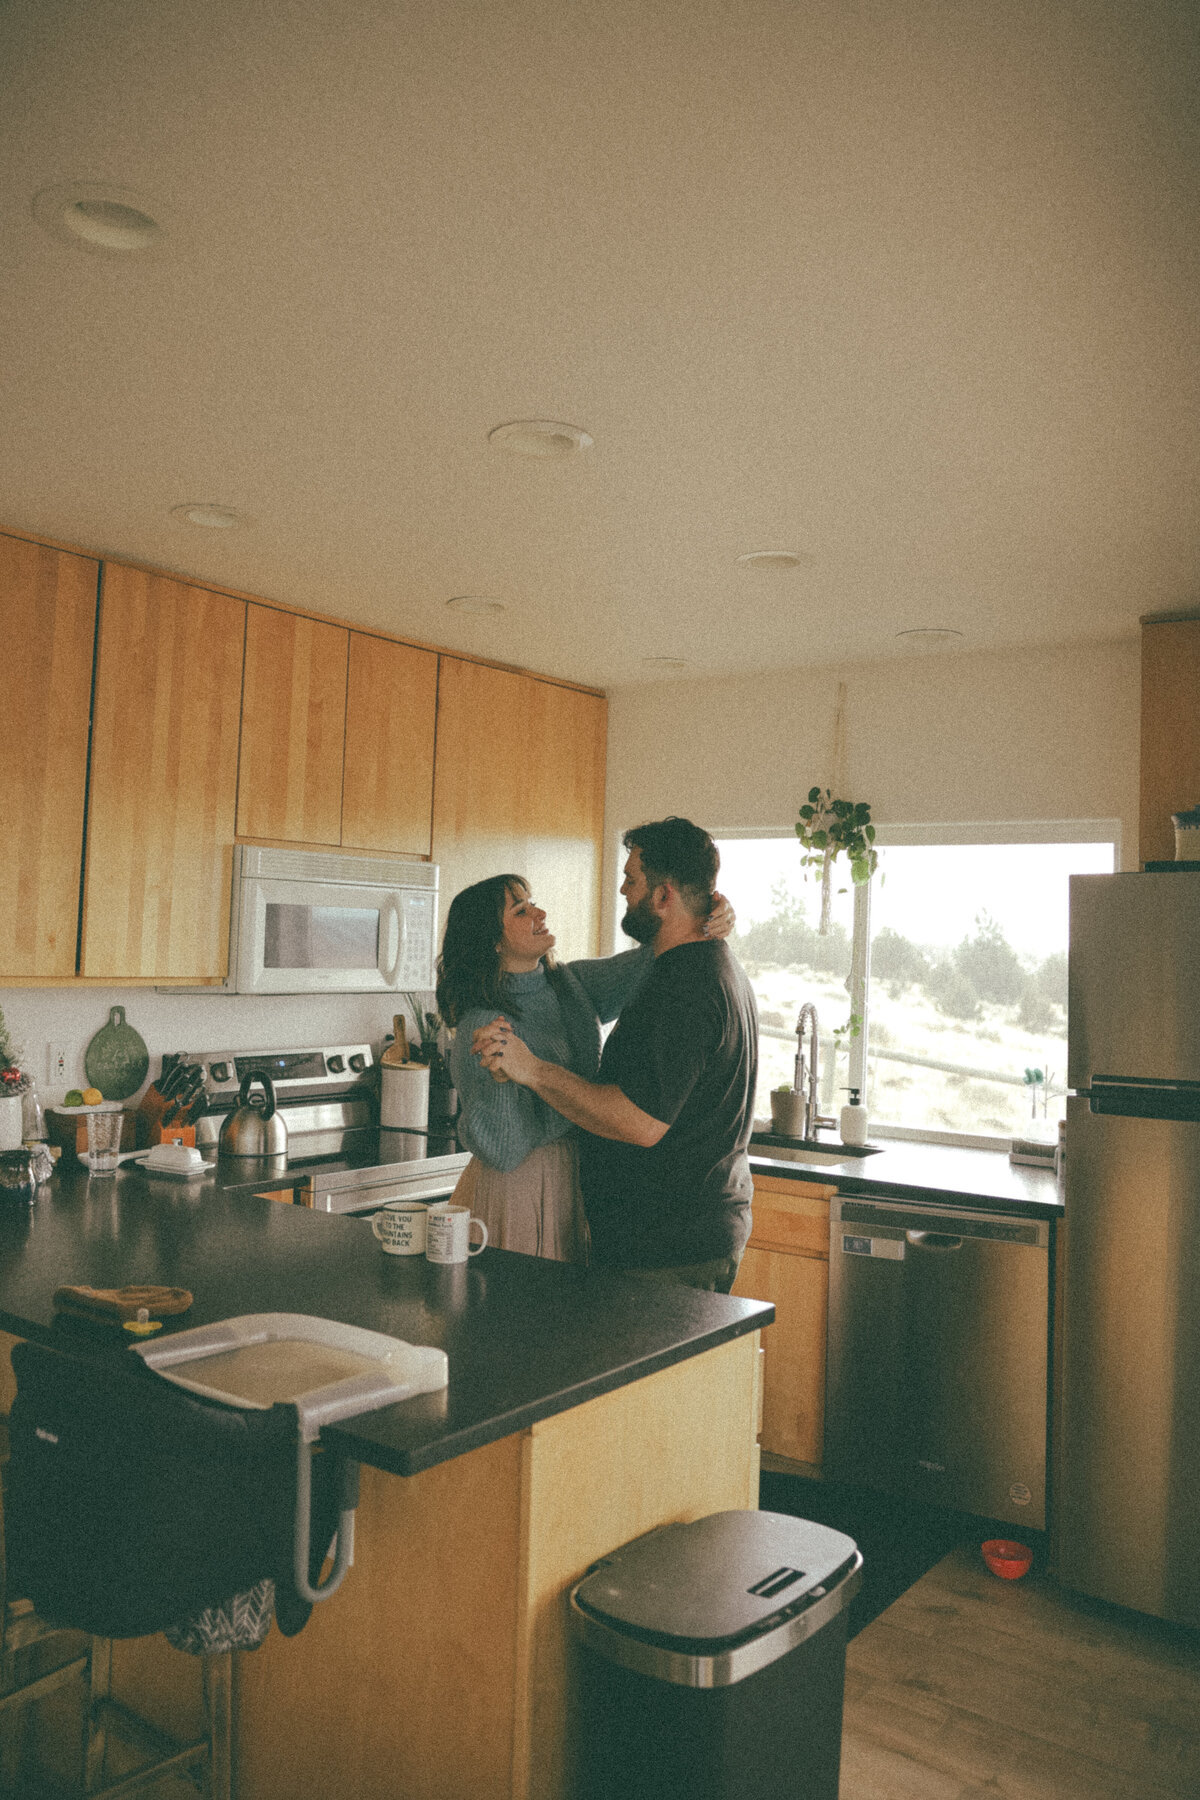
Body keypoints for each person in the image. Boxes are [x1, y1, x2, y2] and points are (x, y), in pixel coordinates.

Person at [473, 818, 758, 1293]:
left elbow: (639, 1122)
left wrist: (534, 1071)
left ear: (663, 896)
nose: (623, 890)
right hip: (665, 1238)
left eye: (631, 879)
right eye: (521, 909)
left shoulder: (683, 987)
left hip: (667, 1248)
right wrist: (706, 910)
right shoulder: (697, 964)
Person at [436, 872, 734, 1262]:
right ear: (493, 941)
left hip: (573, 1183)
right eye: (521, 911)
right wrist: (502, 1081)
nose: (540, 913)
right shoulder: (483, 1025)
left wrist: (710, 915)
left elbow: (660, 952)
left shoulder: (569, 984)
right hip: (516, 1191)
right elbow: (505, 1151)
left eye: (533, 903)